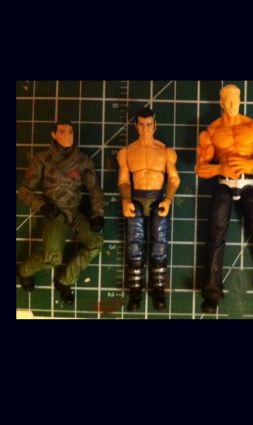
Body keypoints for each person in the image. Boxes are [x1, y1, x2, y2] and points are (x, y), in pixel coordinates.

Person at [195, 84, 253, 313]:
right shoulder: (211, 131)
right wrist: (220, 168)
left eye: (234, 99)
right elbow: (200, 168)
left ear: (240, 100)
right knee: (215, 233)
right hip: (224, 184)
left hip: (247, 184)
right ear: (220, 102)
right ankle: (211, 291)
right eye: (226, 100)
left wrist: (249, 163)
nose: (230, 104)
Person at [17, 120, 105, 305]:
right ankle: (24, 271)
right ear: (54, 134)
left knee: (95, 244)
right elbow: (25, 191)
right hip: (55, 212)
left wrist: (98, 213)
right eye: (62, 132)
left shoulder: (82, 160)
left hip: (75, 211)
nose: (68, 136)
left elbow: (94, 189)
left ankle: (65, 281)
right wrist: (42, 206)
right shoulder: (42, 159)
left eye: (70, 132)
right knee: (52, 258)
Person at [117, 108, 180, 311]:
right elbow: (124, 180)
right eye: (142, 125)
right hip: (135, 199)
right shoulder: (127, 152)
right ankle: (135, 293)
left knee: (159, 245)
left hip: (157, 199)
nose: (145, 129)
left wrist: (168, 199)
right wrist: (126, 200)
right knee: (133, 245)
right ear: (136, 126)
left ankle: (159, 291)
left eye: (149, 125)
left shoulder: (166, 151)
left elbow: (174, 178)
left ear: (155, 125)